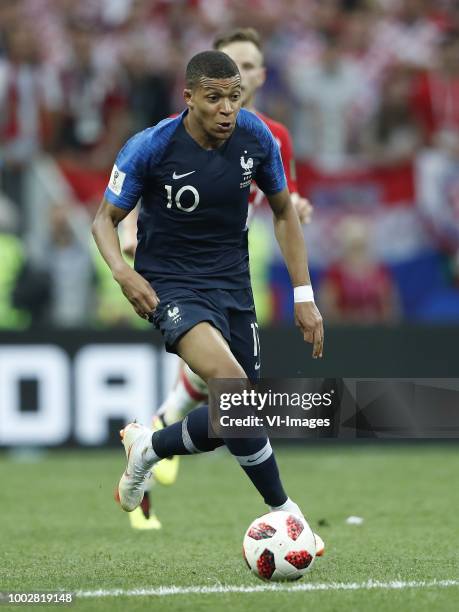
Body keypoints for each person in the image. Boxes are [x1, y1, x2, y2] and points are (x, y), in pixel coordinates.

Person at [92, 50, 324, 551]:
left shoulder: (256, 138)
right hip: (171, 286)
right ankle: (286, 512)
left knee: (239, 415)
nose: (226, 109)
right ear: (189, 97)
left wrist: (304, 295)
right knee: (233, 387)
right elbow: (103, 220)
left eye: (234, 97)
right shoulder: (150, 146)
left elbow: (284, 213)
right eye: (214, 98)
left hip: (233, 286)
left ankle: (148, 447)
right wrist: (122, 273)